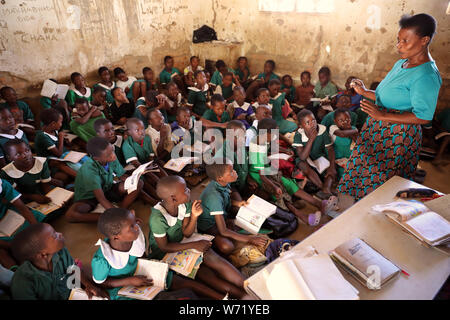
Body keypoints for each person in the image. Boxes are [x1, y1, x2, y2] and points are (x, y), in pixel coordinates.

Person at [338, 13, 442, 200]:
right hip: (377, 128)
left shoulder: (426, 75)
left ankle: (372, 218)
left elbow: (424, 116)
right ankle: (358, 214)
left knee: (381, 183)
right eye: (398, 40)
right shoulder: (402, 63)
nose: (398, 45)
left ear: (424, 40)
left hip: (396, 137)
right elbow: (385, 97)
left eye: (405, 41)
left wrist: (382, 116)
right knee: (363, 173)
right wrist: (364, 92)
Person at [148, 176, 246, 299]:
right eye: (185, 190)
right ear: (173, 199)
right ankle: (242, 295)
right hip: (165, 254)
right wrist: (194, 245)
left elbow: (187, 233)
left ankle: (250, 286)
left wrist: (194, 216)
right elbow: (164, 246)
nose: (189, 190)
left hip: (184, 242)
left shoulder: (184, 204)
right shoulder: (157, 218)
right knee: (204, 273)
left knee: (214, 259)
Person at [10, 223, 109, 300]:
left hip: (72, 293)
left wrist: (88, 285)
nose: (60, 234)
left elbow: (73, 268)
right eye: (55, 236)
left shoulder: (60, 252)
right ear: (43, 254)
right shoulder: (23, 282)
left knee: (102, 292)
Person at [65, 137, 147, 223]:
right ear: (96, 158)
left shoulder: (111, 156)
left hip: (107, 188)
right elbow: (101, 198)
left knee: (139, 183)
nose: (113, 155)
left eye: (112, 150)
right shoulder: (89, 169)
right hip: (89, 197)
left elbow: (122, 175)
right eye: (108, 154)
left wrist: (134, 178)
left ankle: (122, 210)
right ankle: (116, 217)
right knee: (70, 215)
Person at [198, 160, 268, 256]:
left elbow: (224, 199)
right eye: (231, 172)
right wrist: (250, 239)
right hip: (210, 227)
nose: (235, 172)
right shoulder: (214, 197)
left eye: (233, 169)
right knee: (227, 247)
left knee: (246, 219)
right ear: (220, 178)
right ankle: (216, 243)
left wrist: (237, 203)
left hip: (222, 214)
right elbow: (223, 230)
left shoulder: (222, 183)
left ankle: (231, 224)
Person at [294, 109, 337, 199]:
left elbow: (330, 149)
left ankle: (326, 189)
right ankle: (324, 189)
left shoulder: (322, 130)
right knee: (302, 165)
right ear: (301, 126)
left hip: (319, 157)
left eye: (313, 120)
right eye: (308, 122)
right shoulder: (299, 134)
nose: (312, 124)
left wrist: (332, 166)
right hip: (306, 159)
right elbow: (302, 157)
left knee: (331, 168)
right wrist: (311, 139)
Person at [1, 139, 54, 205]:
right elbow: (15, 194)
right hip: (21, 198)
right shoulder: (7, 172)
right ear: (9, 158)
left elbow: (46, 186)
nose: (25, 155)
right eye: (18, 154)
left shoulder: (41, 162)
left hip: (39, 191)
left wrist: (51, 200)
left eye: (27, 150)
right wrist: (33, 197)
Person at [34, 108, 78, 180]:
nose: (61, 124)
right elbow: (59, 154)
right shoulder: (42, 136)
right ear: (53, 124)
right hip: (48, 160)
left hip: (58, 157)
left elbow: (59, 146)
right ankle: (81, 177)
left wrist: (66, 141)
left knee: (74, 154)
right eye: (60, 122)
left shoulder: (54, 130)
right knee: (58, 163)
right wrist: (61, 138)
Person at [329, 108, 359, 180]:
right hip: (339, 159)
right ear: (335, 121)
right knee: (347, 176)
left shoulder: (353, 128)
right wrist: (353, 131)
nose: (345, 122)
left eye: (347, 119)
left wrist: (349, 129)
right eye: (341, 120)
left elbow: (358, 141)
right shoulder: (333, 128)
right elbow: (342, 134)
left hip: (351, 157)